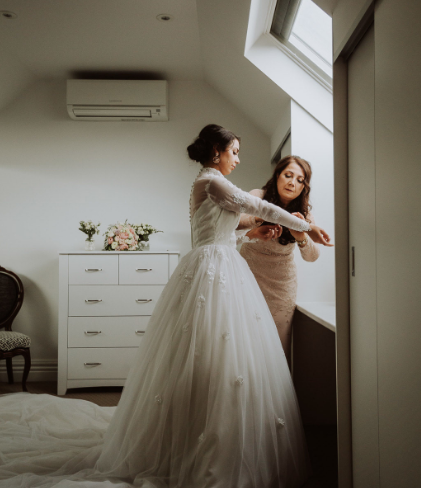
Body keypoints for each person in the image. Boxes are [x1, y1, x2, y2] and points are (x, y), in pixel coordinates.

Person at [0, 124, 331, 488]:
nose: (237, 159)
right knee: (212, 352)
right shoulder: (212, 182)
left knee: (223, 355)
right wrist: (305, 228)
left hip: (219, 264)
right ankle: (203, 440)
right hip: (213, 268)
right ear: (217, 152)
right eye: (234, 151)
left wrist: (255, 230)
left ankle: (213, 428)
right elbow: (256, 205)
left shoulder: (211, 186)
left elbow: (238, 220)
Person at [237, 156, 331, 364]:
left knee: (277, 347)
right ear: (277, 175)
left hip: (281, 285)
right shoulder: (257, 197)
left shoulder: (304, 213)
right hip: (247, 277)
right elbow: (234, 225)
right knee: (244, 340)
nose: (292, 183)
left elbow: (312, 256)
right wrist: (257, 226)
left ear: (304, 187)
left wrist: (301, 236)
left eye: (300, 180)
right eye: (288, 175)